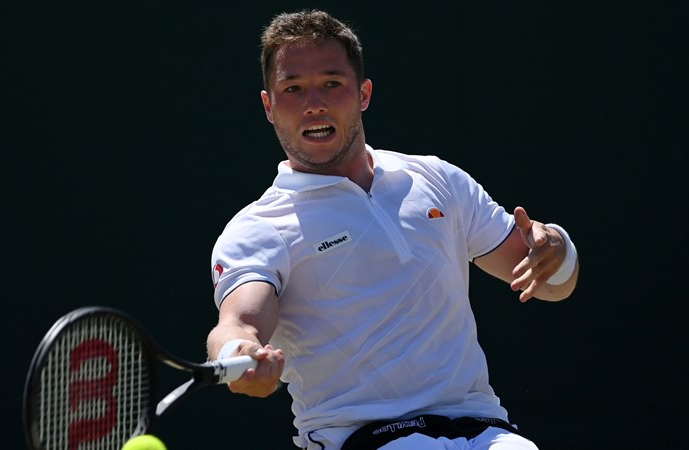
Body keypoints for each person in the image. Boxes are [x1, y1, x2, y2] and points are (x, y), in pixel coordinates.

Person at [206, 9, 579, 450]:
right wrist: (239, 356)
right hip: (360, 438)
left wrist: (555, 247)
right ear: (269, 106)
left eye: (331, 83)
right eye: (293, 88)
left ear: (363, 93)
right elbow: (237, 325)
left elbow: (554, 285)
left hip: (482, 427)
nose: (314, 103)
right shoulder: (259, 227)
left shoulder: (438, 179)